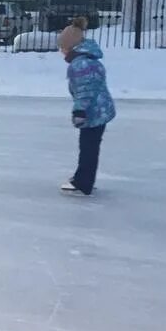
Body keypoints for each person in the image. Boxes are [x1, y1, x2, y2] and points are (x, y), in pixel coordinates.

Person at [59, 15, 114, 196]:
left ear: (71, 47)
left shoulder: (81, 64)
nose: (61, 52)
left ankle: (83, 182)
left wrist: (79, 111)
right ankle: (85, 178)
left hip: (93, 112)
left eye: (62, 48)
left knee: (88, 147)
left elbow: (85, 91)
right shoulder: (87, 60)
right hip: (100, 110)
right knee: (90, 146)